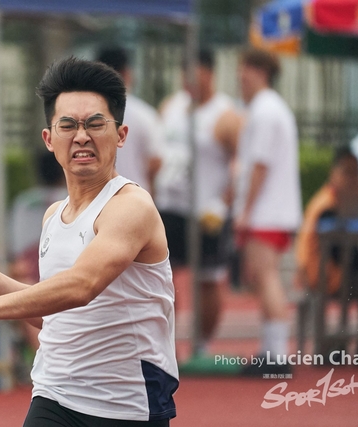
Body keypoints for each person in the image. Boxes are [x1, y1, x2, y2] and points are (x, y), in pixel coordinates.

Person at [0, 57, 179, 426]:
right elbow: (53, 315)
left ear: (121, 135)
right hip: (54, 395)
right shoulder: (54, 215)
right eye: (68, 125)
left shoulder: (131, 207)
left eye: (96, 124)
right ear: (49, 139)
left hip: (125, 404)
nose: (81, 136)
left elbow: (81, 287)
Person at [155, 49, 243, 358]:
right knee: (164, 277)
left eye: (196, 75)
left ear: (210, 74)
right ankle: (168, 345)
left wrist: (223, 203)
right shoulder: (171, 107)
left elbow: (241, 164)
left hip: (207, 212)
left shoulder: (226, 115)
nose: (189, 81)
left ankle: (203, 344)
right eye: (185, 75)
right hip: (169, 206)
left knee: (207, 280)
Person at [233, 48, 302, 376]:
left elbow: (259, 165)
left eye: (244, 71)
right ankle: (270, 350)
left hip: (266, 210)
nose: (240, 79)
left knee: (266, 277)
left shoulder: (264, 111)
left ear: (260, 72)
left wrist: (245, 211)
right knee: (265, 279)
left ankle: (276, 355)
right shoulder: (271, 108)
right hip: (274, 208)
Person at [9, 151, 67, 351]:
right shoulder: (72, 199)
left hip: (33, 275)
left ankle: (42, 354)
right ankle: (46, 354)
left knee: (27, 294)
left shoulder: (23, 202)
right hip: (54, 273)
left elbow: (16, 252)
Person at [96, 46, 165, 195]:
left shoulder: (85, 114)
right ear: (127, 73)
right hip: (135, 197)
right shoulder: (145, 115)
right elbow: (156, 161)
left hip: (96, 199)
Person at [295, 148, 358, 295]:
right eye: (347, 172)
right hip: (323, 276)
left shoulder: (338, 200)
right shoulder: (327, 205)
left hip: (327, 273)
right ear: (333, 172)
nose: (352, 179)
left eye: (356, 173)